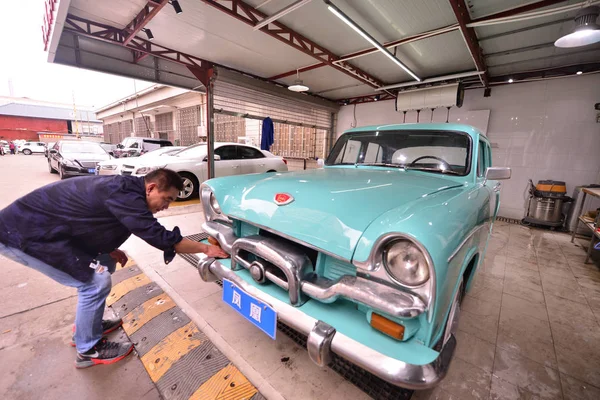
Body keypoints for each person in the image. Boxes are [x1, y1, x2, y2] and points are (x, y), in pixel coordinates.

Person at [0, 169, 228, 368]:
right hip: (25, 235)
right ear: (151, 188)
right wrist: (206, 249)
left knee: (106, 262)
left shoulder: (128, 191)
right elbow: (160, 237)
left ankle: (88, 326)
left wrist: (107, 248)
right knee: (94, 283)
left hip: (49, 231)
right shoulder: (125, 195)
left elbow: (91, 219)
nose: (166, 207)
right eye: (166, 199)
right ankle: (87, 351)